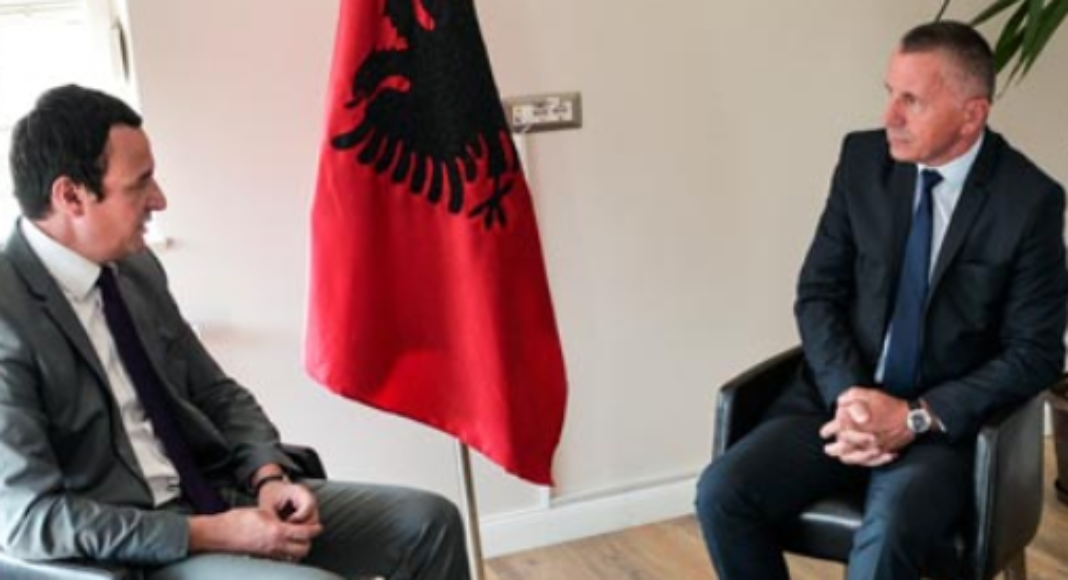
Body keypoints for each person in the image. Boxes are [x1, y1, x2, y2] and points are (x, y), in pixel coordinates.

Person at [0, 84, 471, 580]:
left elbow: (217, 394)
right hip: (137, 550)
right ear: (71, 195)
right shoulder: (8, 313)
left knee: (428, 523)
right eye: (140, 184)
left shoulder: (134, 270)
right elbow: (29, 519)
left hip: (219, 495)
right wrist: (211, 533)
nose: (159, 199)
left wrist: (268, 476)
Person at [695, 20, 1068, 580]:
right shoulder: (863, 162)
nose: (889, 116)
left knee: (887, 535)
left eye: (911, 101)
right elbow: (818, 293)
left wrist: (916, 416)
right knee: (722, 493)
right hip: (838, 402)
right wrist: (850, 398)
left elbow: (1035, 354)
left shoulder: (1028, 201)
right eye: (890, 93)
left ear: (972, 114)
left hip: (941, 431)